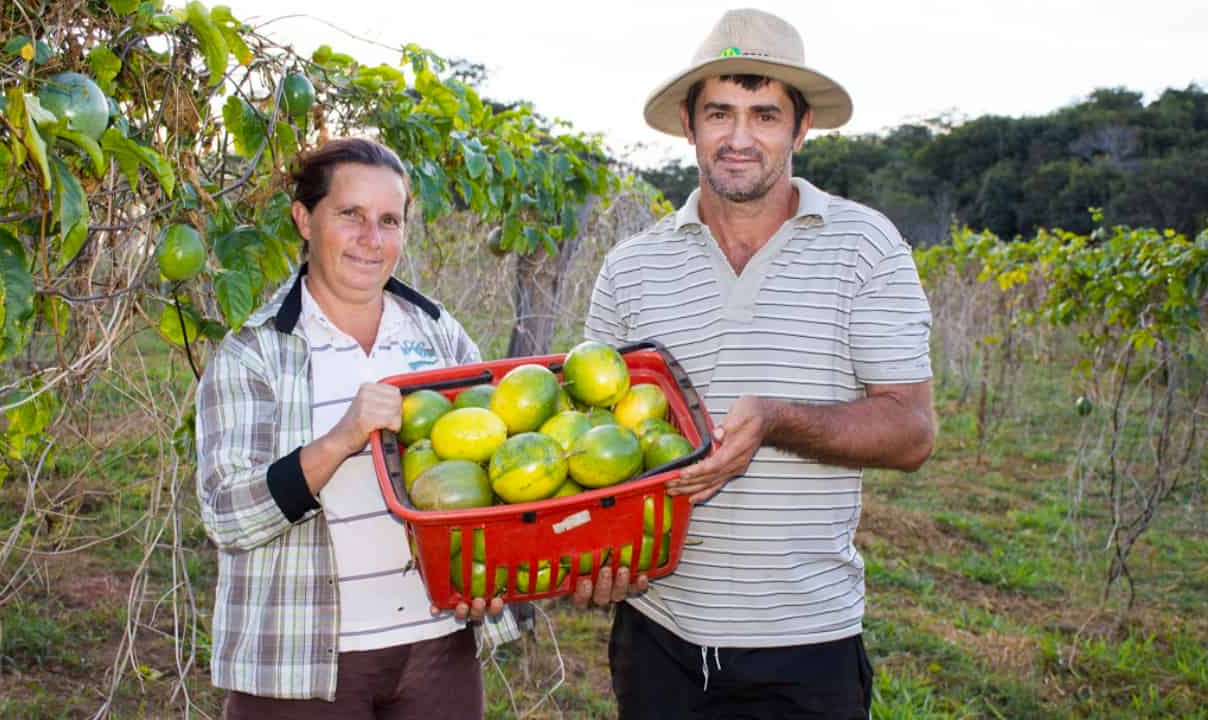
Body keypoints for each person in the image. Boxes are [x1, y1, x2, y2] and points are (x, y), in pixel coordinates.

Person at [574, 9, 936, 719]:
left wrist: (774, 419)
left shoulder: (866, 246)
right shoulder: (630, 268)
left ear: (801, 129)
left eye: (765, 115)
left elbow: (912, 431)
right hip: (655, 638)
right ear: (689, 123)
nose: (740, 138)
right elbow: (594, 446)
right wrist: (594, 556)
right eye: (720, 112)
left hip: (805, 646)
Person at [196, 137, 513, 718]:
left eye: (389, 220)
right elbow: (226, 514)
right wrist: (343, 437)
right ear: (303, 219)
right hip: (303, 663)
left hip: (436, 646)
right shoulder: (256, 352)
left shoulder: (439, 335)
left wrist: (491, 566)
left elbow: (498, 471)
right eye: (351, 215)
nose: (372, 239)